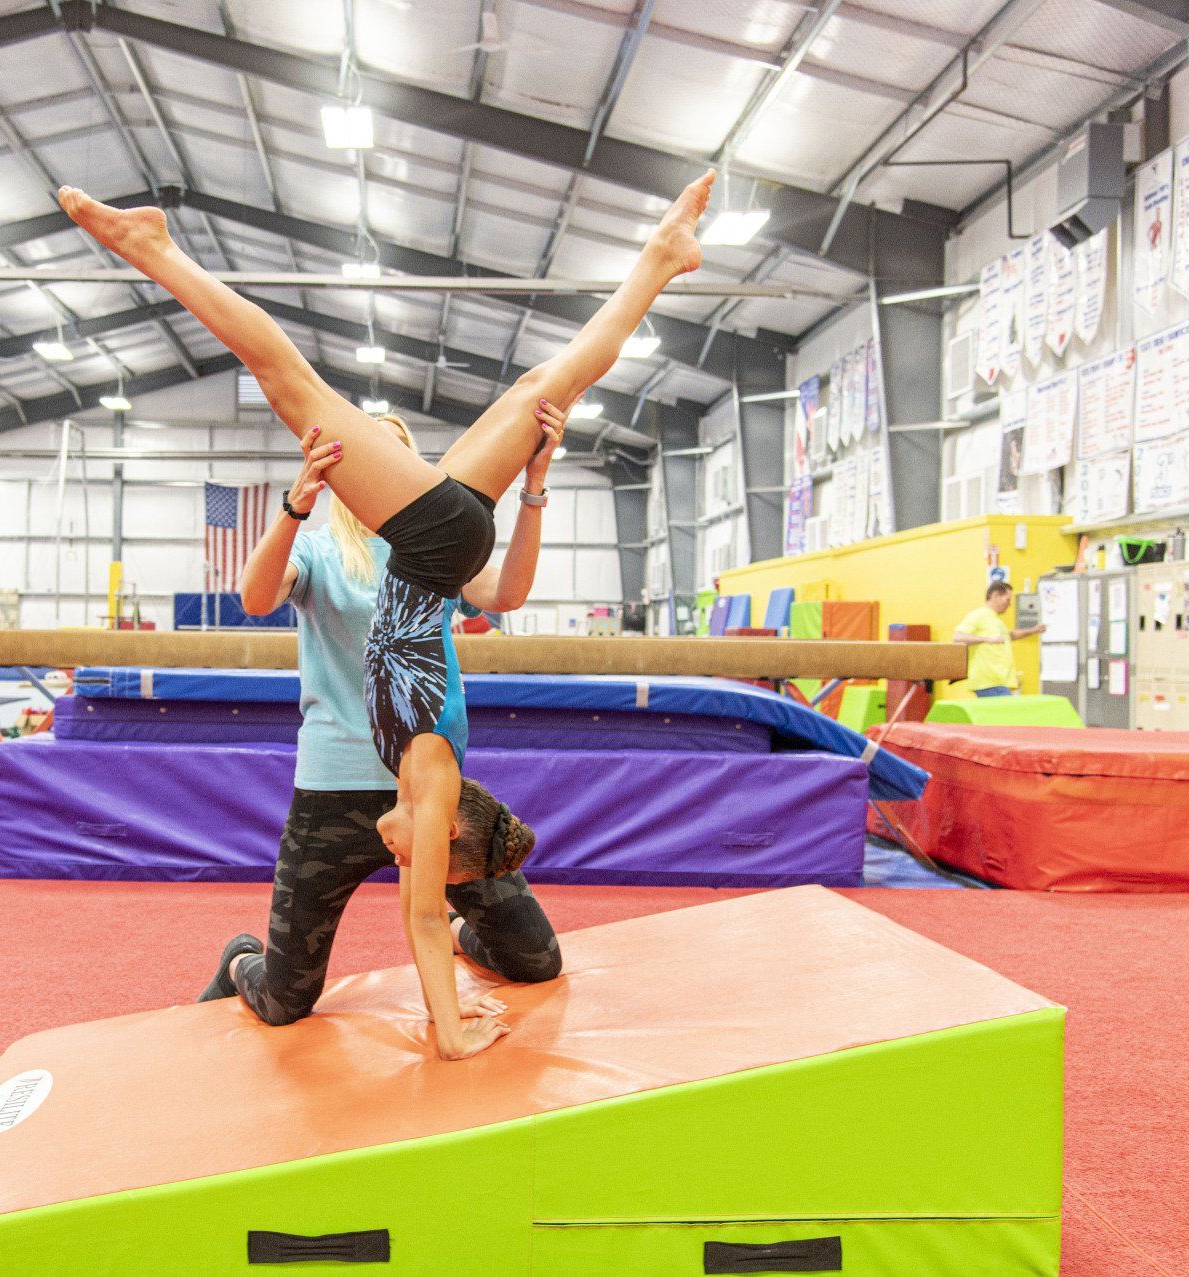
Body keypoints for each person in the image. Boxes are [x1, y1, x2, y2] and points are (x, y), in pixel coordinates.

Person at [58, 168, 713, 1059]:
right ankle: (155, 250)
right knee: (290, 378)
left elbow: (422, 917)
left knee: (541, 386)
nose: (400, 853)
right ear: (450, 828)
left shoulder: (419, 781)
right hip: (441, 541)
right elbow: (418, 913)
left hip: (454, 537)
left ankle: (660, 259)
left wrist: (536, 487)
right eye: (425, 853)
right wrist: (450, 1034)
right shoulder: (432, 767)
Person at [197, 409, 566, 1039]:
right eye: (369, 460)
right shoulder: (318, 552)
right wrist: (294, 507)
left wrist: (533, 486)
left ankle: (454, 934)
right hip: (334, 792)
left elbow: (505, 594)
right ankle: (241, 960)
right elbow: (255, 599)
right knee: (286, 1000)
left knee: (534, 959)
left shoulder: (436, 553)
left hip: (428, 790)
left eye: (397, 460)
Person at [954, 580, 1042, 697]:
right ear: (996, 595)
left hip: (1000, 682)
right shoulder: (979, 615)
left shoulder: (995, 619)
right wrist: (987, 639)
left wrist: (1034, 630)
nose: (1009, 604)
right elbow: (958, 637)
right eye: (1007, 599)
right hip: (989, 682)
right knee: (1006, 714)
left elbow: (1010, 636)